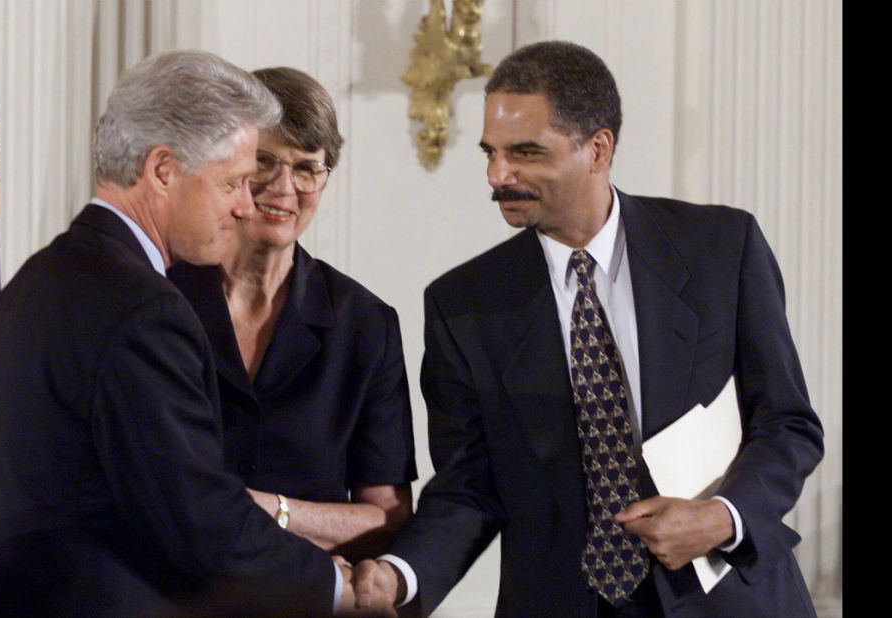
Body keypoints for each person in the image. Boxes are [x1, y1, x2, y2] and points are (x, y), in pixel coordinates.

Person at [353, 40, 824, 617]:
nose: (499, 175)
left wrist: (721, 517)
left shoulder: (722, 249)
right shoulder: (463, 304)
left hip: (730, 600)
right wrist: (401, 577)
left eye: (524, 152)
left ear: (597, 149)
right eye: (491, 153)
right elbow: (469, 486)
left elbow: (789, 425)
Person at [0, 51, 358, 617]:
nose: (247, 206)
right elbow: (200, 520)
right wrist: (335, 587)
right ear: (164, 170)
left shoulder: (31, 281)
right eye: (236, 183)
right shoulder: (146, 310)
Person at [167, 66, 417, 562]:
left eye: (306, 167)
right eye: (264, 162)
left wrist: (271, 511)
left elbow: (387, 518)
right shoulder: (157, 301)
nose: (284, 188)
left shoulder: (365, 324)